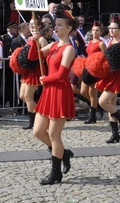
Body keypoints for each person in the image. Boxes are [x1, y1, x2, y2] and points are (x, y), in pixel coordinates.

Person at [28, 10, 77, 184]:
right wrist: (36, 38)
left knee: (55, 135)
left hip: (59, 92)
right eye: (55, 25)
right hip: (49, 91)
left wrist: (44, 79)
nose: (55, 28)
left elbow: (62, 74)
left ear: (69, 28)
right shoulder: (54, 46)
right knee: (38, 131)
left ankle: (55, 173)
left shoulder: (69, 48)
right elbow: (34, 56)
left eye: (59, 25)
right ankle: (63, 153)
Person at [80, 21, 106, 124]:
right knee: (82, 91)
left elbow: (105, 57)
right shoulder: (89, 42)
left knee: (92, 92)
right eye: (94, 30)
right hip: (87, 67)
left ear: (101, 32)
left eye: (97, 30)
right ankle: (97, 106)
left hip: (95, 69)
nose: (95, 32)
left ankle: (92, 115)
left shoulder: (101, 43)